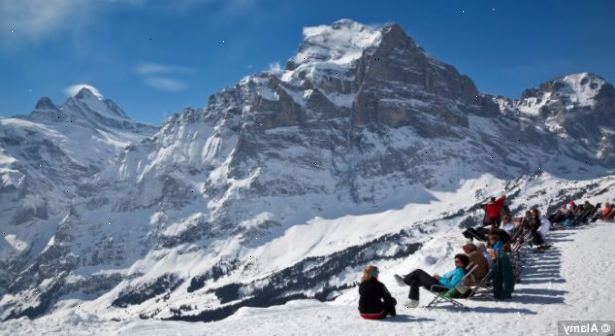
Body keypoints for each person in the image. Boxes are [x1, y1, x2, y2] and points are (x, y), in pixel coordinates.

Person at [394, 254, 470, 308]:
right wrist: (438, 278)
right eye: (455, 261)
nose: (455, 262)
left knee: (418, 271)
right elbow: (447, 280)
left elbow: (451, 285)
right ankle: (414, 301)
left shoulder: (459, 273)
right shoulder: (457, 270)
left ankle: (403, 282)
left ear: (463, 263)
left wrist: (439, 278)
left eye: (457, 261)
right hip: (438, 283)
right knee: (415, 281)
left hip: (440, 287)